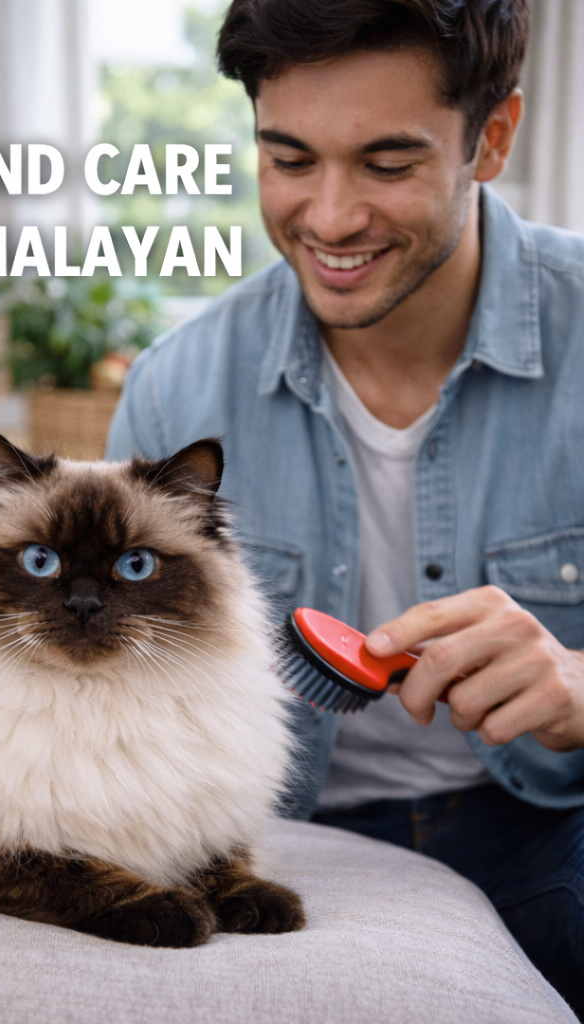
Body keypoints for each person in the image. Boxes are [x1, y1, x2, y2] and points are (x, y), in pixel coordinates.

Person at [107, 0, 584, 1012]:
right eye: (288, 160)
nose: (328, 218)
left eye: (386, 164)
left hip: (554, 822)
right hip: (280, 838)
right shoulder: (177, 389)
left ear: (489, 138)